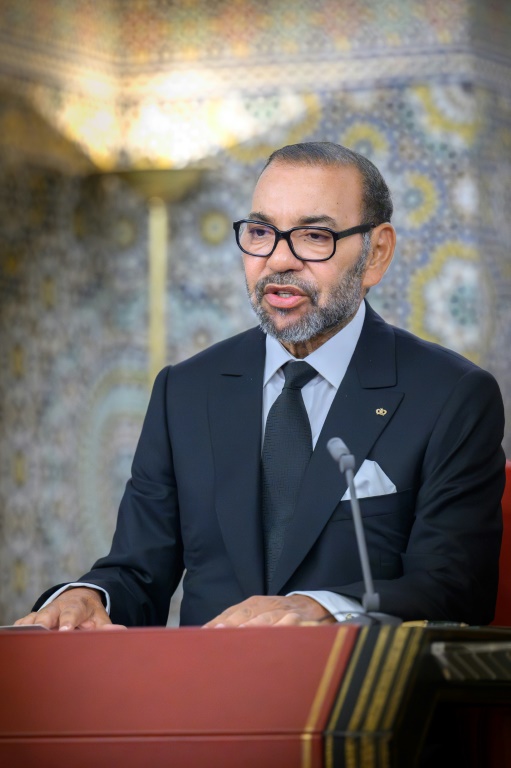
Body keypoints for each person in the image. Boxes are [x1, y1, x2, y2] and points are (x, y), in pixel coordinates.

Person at [15, 141, 505, 631]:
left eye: (314, 236)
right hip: (202, 697)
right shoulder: (185, 391)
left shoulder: (452, 397)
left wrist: (319, 609)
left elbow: (453, 589)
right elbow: (138, 575)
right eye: (261, 231)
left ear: (376, 254)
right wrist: (87, 597)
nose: (278, 260)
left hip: (357, 699)